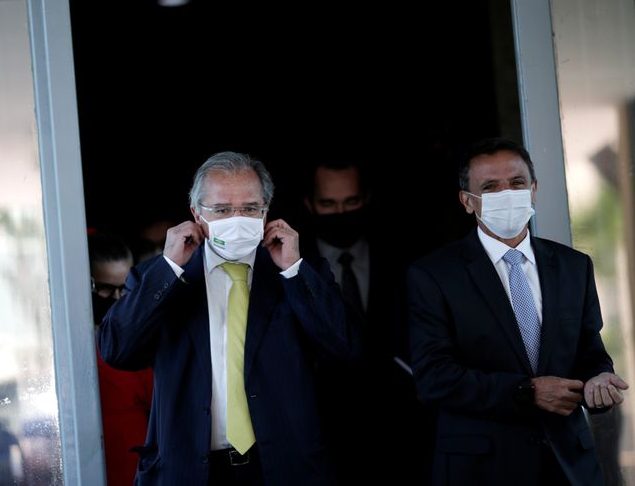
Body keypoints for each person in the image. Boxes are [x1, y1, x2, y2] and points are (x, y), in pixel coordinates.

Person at [99, 151, 360, 486]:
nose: (237, 219)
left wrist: (294, 271)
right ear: (196, 213)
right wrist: (170, 269)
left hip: (283, 468)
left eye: (250, 208)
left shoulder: (296, 271)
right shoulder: (160, 275)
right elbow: (115, 349)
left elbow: (346, 349)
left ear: (266, 211)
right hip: (191, 470)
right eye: (222, 210)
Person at [408, 138, 628, 485]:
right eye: (490, 187)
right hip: (483, 468)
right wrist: (527, 391)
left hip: (570, 465)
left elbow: (590, 350)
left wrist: (599, 378)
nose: (506, 193)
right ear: (467, 201)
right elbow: (434, 377)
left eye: (517, 183)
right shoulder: (434, 276)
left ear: (534, 189)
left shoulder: (574, 266)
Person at [302, 157, 432, 484]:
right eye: (328, 204)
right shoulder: (290, 267)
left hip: (403, 433)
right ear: (309, 205)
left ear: (366, 199)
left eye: (351, 202)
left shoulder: (405, 258)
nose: (341, 213)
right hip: (321, 433)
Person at [89, 232, 153, 486]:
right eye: (106, 288)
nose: (117, 298)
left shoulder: (143, 339)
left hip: (137, 467)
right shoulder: (67, 343)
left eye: (124, 289)